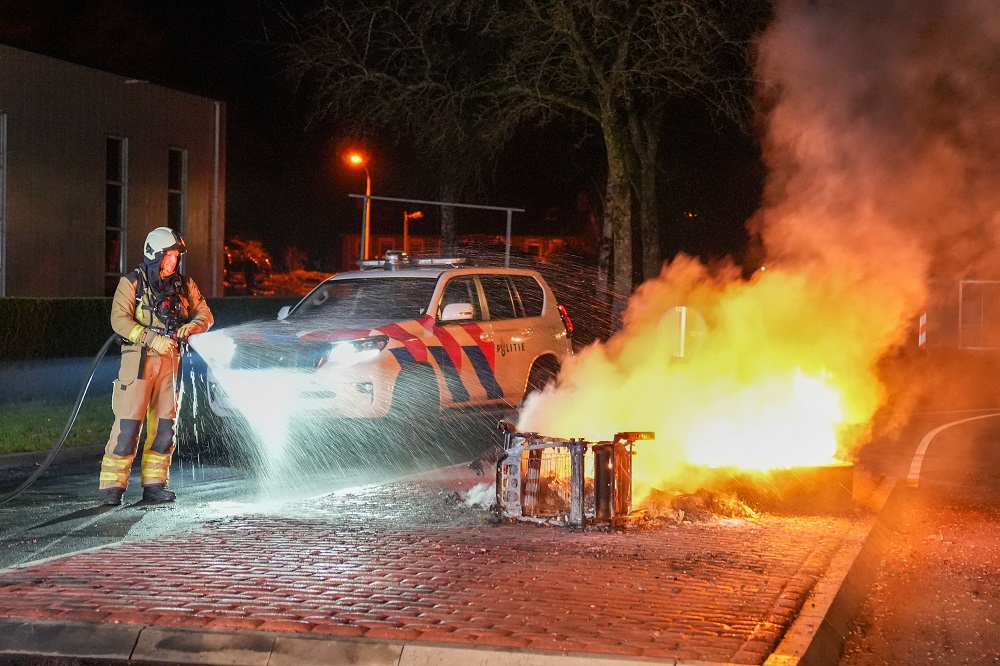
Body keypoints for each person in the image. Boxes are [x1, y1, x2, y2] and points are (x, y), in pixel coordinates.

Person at [99, 227, 213, 506]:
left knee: (164, 428)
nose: (173, 262)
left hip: (171, 363)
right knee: (128, 427)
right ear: (154, 255)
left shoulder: (184, 285)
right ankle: (112, 487)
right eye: (169, 256)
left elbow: (205, 315)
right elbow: (119, 320)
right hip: (137, 363)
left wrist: (192, 327)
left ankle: (155, 485)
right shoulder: (132, 283)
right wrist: (151, 338)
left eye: (176, 257)